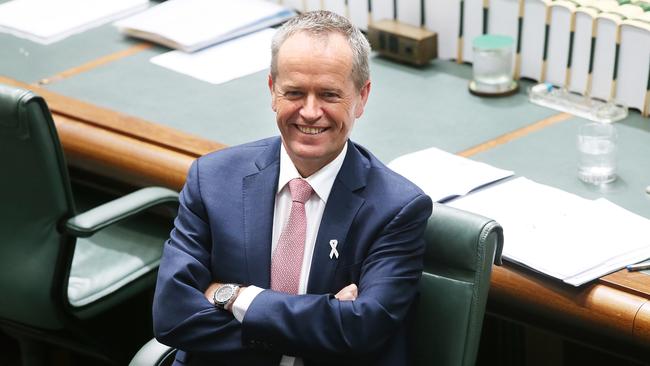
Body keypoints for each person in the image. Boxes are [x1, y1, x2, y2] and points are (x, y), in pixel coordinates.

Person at [152, 10, 433, 366]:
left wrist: (235, 298)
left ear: (362, 97)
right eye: (295, 92)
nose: (310, 112)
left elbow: (362, 330)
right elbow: (172, 315)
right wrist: (320, 323)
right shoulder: (212, 179)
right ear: (272, 91)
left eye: (329, 95)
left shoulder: (397, 209)